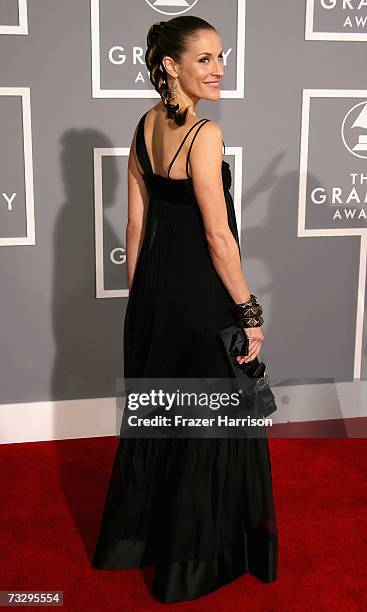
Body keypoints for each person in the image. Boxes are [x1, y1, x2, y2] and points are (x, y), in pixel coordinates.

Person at [92, 16, 278, 603]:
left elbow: (134, 223)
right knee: (209, 422)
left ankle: (142, 541)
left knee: (163, 418)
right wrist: (249, 310)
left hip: (152, 297)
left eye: (221, 56)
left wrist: (139, 301)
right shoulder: (205, 135)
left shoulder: (143, 127)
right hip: (201, 298)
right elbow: (219, 239)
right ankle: (197, 561)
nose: (219, 68)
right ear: (171, 66)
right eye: (204, 59)